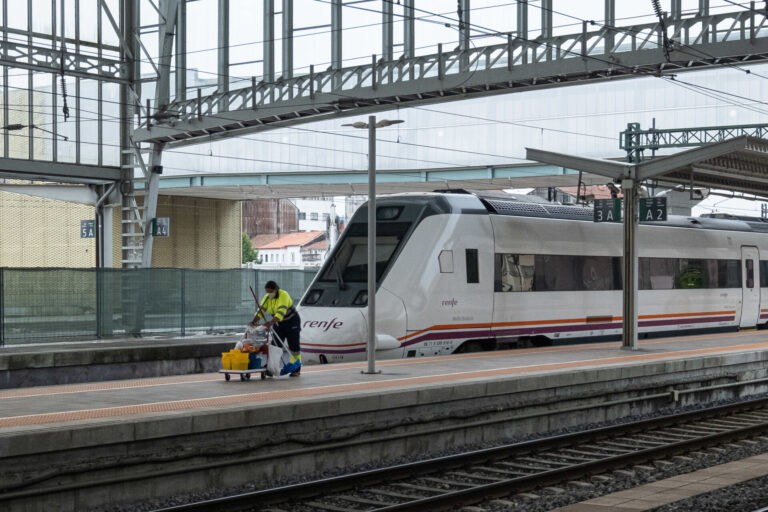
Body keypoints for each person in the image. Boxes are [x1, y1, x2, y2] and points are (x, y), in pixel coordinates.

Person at [250, 280, 302, 376]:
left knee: (294, 346)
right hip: (278, 323)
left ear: (276, 289)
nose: (269, 294)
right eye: (267, 292)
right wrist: (254, 321)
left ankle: (296, 368)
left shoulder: (284, 295)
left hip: (292, 322)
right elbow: (261, 311)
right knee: (275, 346)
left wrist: (270, 323)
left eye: (270, 292)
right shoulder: (267, 298)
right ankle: (272, 368)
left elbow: (280, 313)